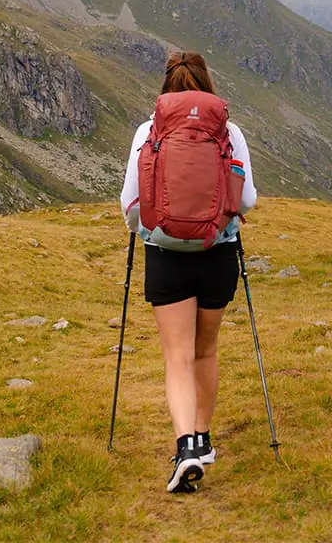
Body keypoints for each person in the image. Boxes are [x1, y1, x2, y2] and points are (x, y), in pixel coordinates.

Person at [120, 51, 258, 494]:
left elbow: (132, 201)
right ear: (206, 83)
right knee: (207, 351)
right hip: (217, 253)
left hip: (166, 257)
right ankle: (204, 436)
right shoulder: (229, 132)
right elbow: (248, 199)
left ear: (166, 85)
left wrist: (138, 227)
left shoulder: (148, 131)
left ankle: (185, 448)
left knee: (177, 358)